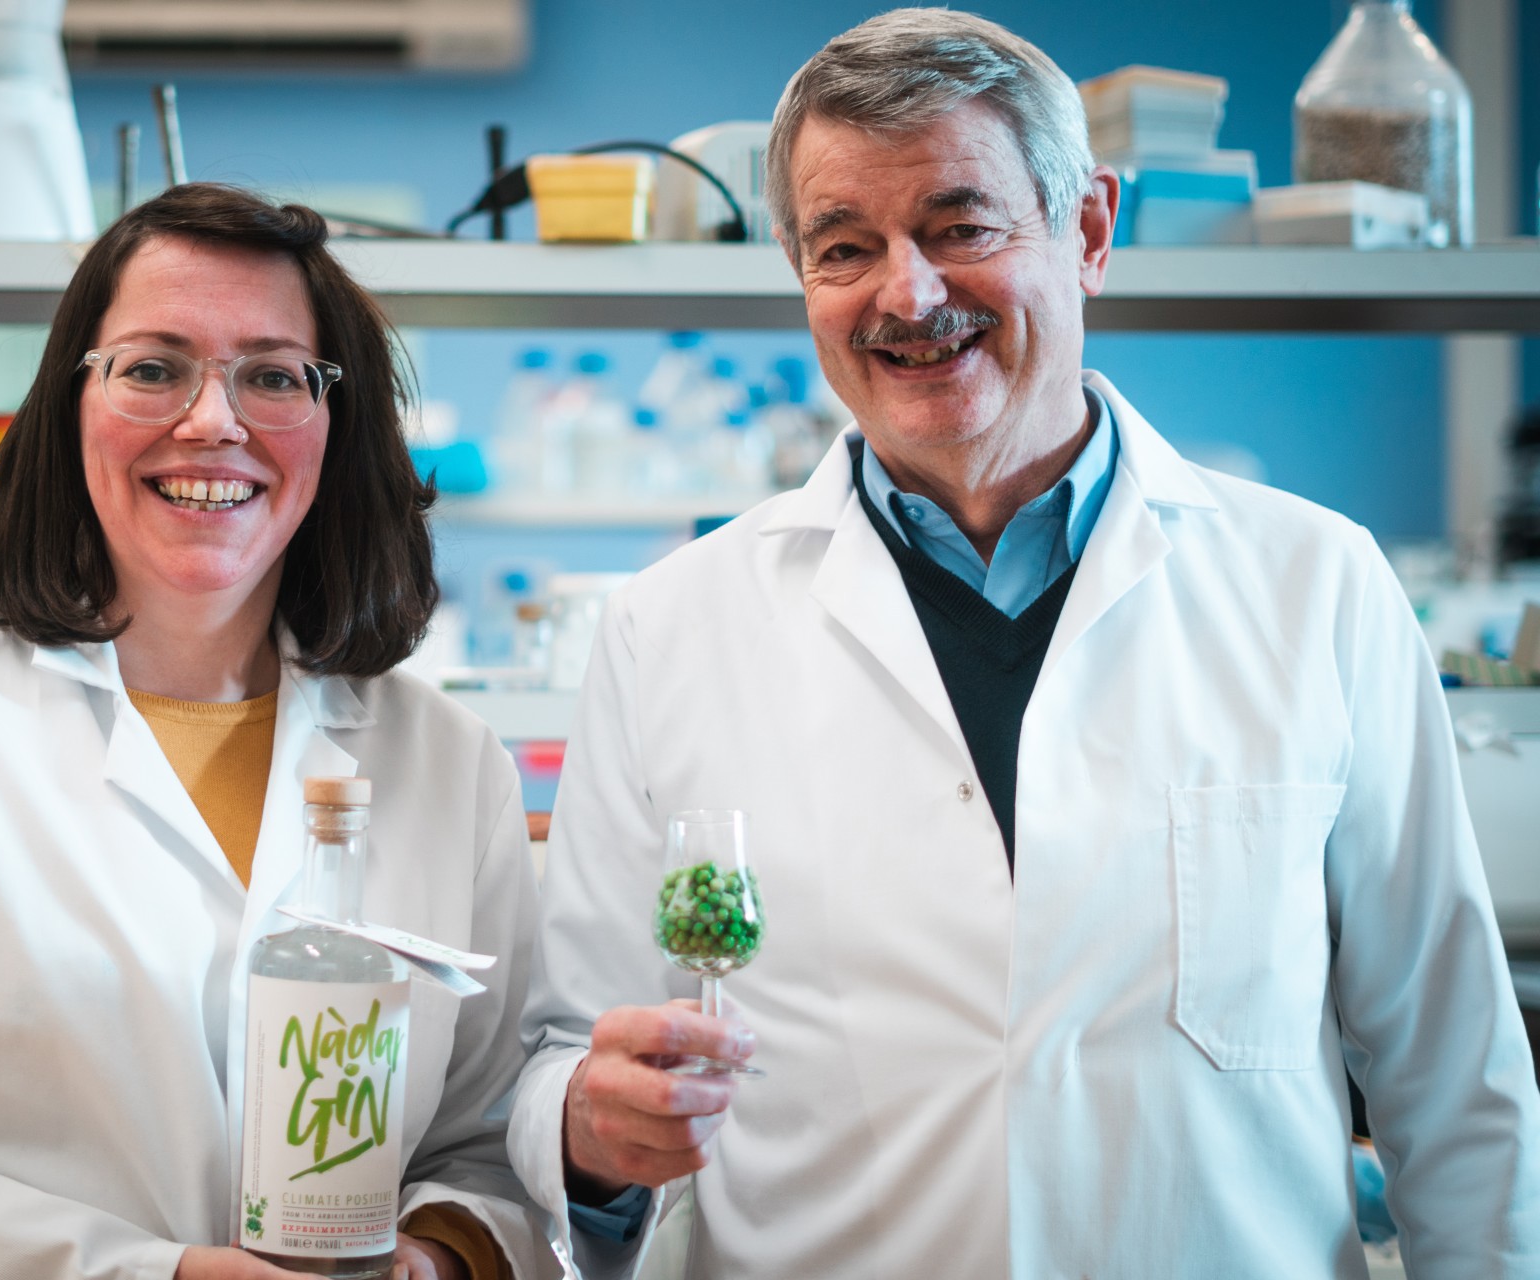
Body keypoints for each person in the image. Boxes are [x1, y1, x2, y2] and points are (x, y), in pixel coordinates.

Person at [509, 10, 1540, 1279]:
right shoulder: (670, 625)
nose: (909, 292)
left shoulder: (1315, 584)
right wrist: (587, 1125)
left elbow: (1453, 1071)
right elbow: (569, 1054)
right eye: (846, 247)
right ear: (800, 273)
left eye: (963, 226)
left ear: (1090, 231)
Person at [0, 184, 553, 1280]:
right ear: (71, 404)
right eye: (154, 366)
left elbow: (490, 1151)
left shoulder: (448, 762)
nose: (212, 420)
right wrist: (146, 1274)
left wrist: (445, 1255)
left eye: (273, 374)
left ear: (335, 426)